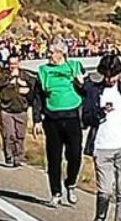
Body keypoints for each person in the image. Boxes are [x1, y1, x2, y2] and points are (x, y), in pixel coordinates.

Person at [83, 54, 121, 221]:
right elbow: (86, 118)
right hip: (102, 148)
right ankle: (100, 217)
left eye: (113, 75)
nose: (110, 79)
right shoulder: (94, 92)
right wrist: (100, 113)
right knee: (105, 191)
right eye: (107, 75)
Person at [34, 40, 85, 207]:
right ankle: (55, 193)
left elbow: (86, 91)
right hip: (52, 118)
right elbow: (38, 97)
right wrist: (36, 119)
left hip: (71, 117)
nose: (48, 54)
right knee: (54, 157)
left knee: (75, 155)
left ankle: (71, 183)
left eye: (51, 52)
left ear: (61, 53)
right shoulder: (43, 71)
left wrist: (81, 83)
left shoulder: (74, 66)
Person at [0, 54, 38, 167]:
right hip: (6, 109)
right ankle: (9, 155)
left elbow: (34, 87)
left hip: (21, 110)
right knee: (9, 135)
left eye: (15, 63)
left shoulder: (25, 75)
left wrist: (26, 88)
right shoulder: (3, 74)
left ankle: (19, 157)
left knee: (20, 135)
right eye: (10, 64)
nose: (12, 66)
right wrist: (10, 79)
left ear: (19, 63)